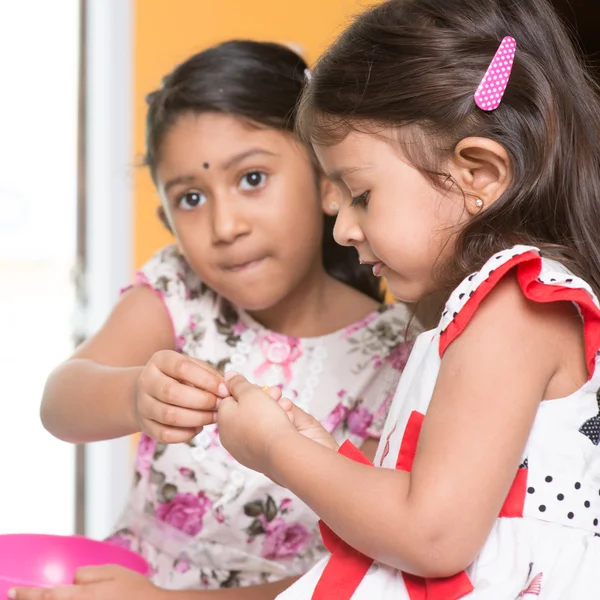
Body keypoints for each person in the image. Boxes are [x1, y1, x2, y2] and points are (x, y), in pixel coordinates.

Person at [215, 1, 600, 597]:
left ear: (479, 174)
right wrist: (324, 454)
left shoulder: (515, 307)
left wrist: (278, 450)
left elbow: (433, 536)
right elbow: (438, 505)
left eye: (360, 194)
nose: (342, 228)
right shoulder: (489, 309)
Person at [9, 41, 416, 600]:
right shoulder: (181, 289)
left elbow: (353, 575)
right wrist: (133, 393)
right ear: (167, 218)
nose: (224, 225)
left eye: (251, 179)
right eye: (192, 198)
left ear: (328, 179)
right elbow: (60, 403)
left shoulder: (397, 357)